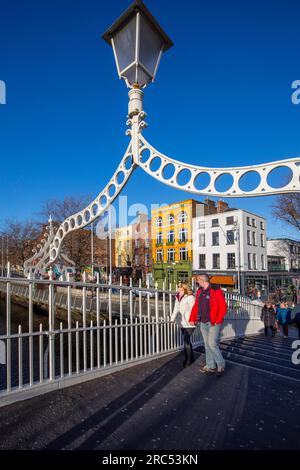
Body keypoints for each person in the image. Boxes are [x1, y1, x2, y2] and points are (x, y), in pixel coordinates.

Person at [189, 274, 227, 377]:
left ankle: (220, 364)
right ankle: (210, 365)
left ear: (203, 280)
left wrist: (218, 320)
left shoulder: (215, 290)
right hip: (203, 322)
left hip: (213, 322)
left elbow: (223, 306)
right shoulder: (200, 291)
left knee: (212, 344)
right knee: (206, 344)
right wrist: (192, 318)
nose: (197, 282)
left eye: (198, 280)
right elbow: (196, 306)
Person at [171, 283, 196, 368]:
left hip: (189, 323)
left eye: (179, 286)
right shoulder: (178, 297)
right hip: (182, 323)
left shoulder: (190, 297)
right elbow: (176, 308)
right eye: (177, 286)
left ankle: (188, 360)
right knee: (187, 341)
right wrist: (172, 319)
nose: (177, 288)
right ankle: (191, 358)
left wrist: (193, 320)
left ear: (184, 288)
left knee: (186, 341)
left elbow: (195, 309)